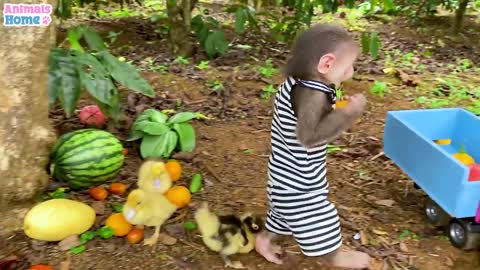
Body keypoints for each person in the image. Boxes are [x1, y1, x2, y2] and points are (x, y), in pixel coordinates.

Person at [255, 23, 371, 269]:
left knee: (284, 211)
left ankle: (265, 239)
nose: (351, 72)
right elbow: (310, 136)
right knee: (316, 213)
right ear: (326, 64)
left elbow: (310, 120)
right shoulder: (311, 93)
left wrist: (335, 110)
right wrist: (349, 113)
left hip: (285, 171)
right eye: (348, 66)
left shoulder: (301, 83)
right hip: (298, 179)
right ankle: (334, 255)